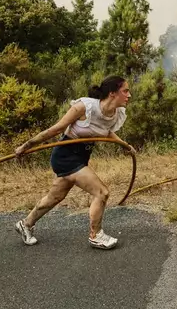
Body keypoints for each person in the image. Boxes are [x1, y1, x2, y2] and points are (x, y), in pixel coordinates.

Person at [13, 75, 133, 250]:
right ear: (113, 93)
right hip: (65, 156)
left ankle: (25, 224)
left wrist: (125, 146)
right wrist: (26, 145)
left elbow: (106, 132)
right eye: (125, 91)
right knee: (102, 192)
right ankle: (96, 235)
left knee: (55, 197)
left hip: (82, 157)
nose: (129, 95)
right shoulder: (85, 107)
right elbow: (56, 129)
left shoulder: (115, 114)